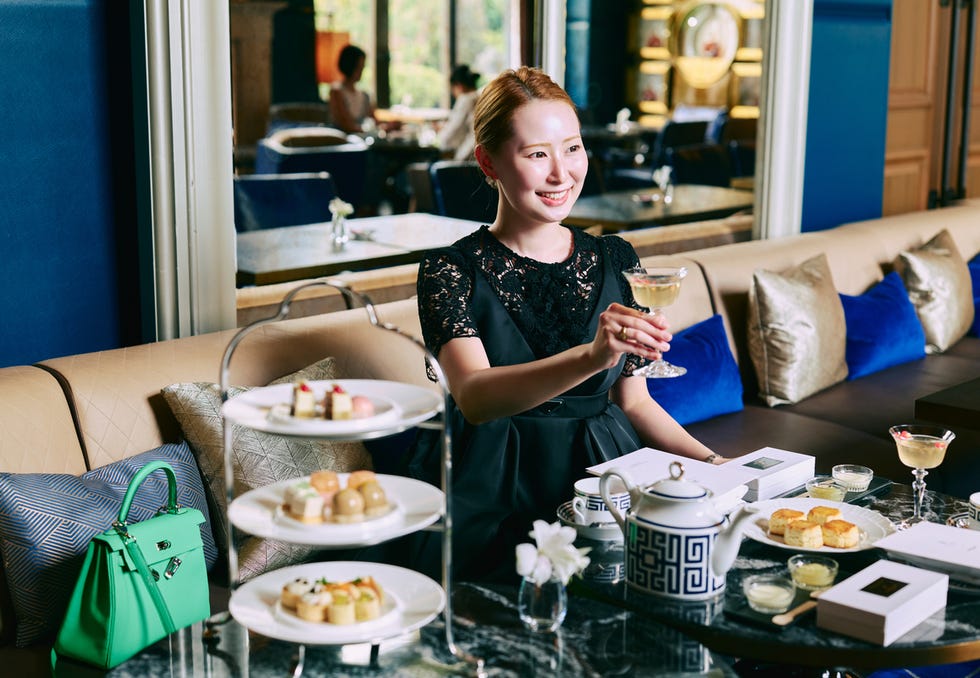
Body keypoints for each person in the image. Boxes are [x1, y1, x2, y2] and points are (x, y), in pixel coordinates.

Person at [404, 66, 726, 583]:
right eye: (537, 154)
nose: (562, 174)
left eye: (572, 148)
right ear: (488, 161)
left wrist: (713, 463)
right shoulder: (449, 270)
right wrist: (593, 355)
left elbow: (636, 403)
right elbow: (476, 398)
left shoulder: (616, 256)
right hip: (494, 485)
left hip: (602, 474)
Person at [436, 64, 481, 160]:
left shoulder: (466, 99)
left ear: (459, 86)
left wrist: (439, 136)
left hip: (468, 157)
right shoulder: (479, 96)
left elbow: (452, 132)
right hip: (479, 156)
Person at [328, 44, 375, 133]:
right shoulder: (336, 91)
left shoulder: (364, 95)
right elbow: (346, 124)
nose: (361, 71)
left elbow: (373, 119)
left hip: (363, 138)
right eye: (359, 67)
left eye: (362, 67)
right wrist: (369, 131)